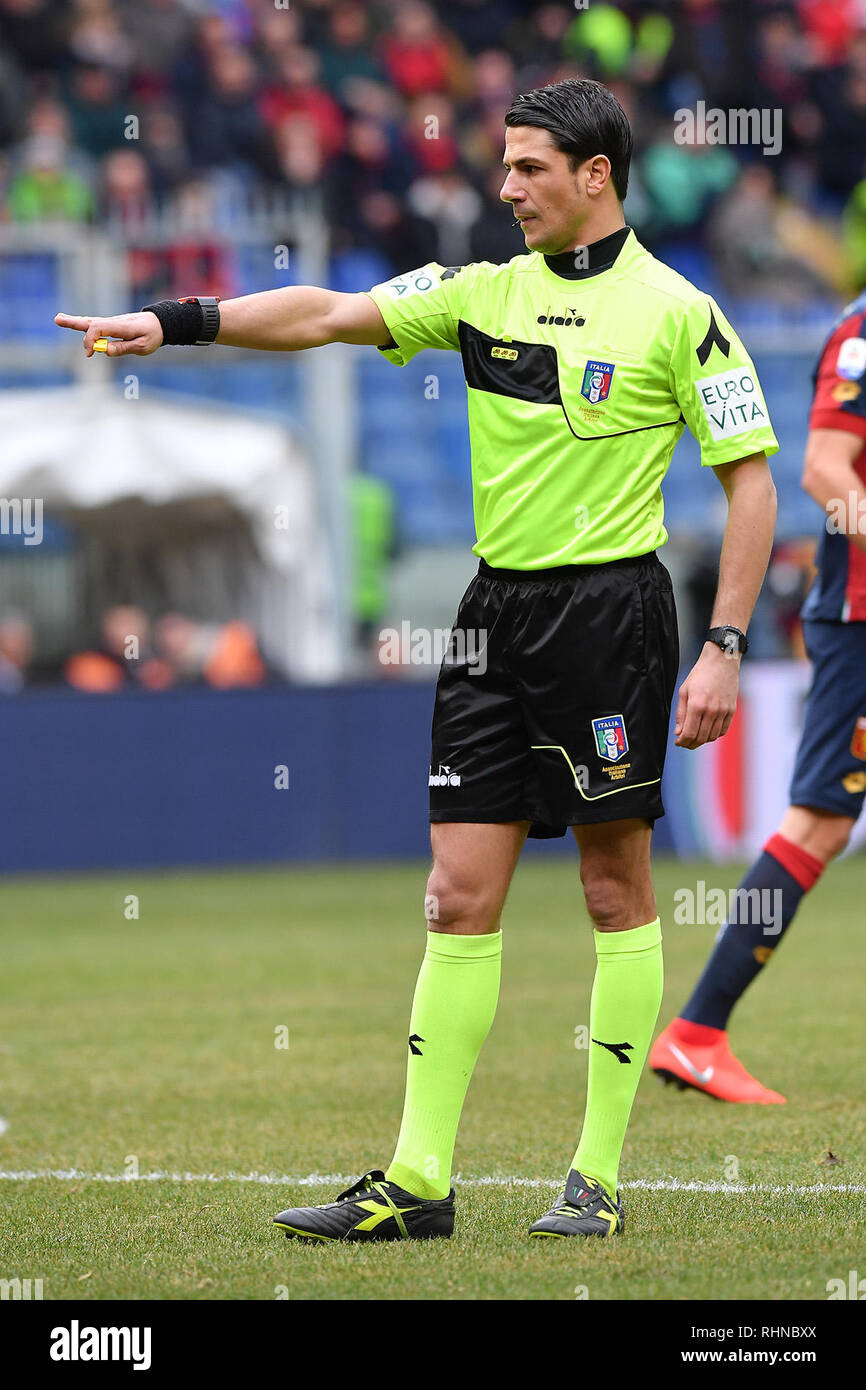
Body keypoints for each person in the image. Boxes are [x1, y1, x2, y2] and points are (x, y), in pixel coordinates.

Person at [55, 77, 779, 1242]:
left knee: (611, 886)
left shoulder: (679, 313)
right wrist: (178, 321)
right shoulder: (477, 293)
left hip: (612, 621)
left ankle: (592, 1177)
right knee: (452, 895)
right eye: (503, 165)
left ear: (595, 175)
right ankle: (417, 1179)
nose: (504, 187)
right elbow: (326, 315)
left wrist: (725, 646)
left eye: (528, 168)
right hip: (493, 616)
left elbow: (749, 481)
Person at [651, 286, 866, 1105]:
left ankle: (699, 1031)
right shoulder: (859, 335)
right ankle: (698, 1032)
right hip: (860, 616)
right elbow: (822, 467)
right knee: (819, 820)